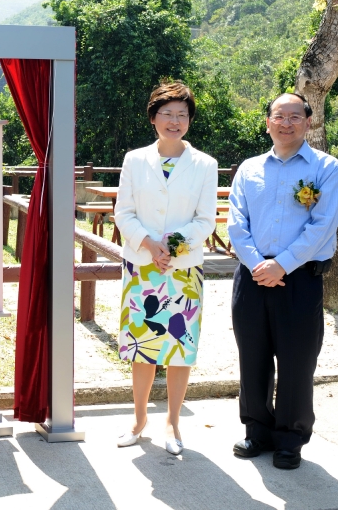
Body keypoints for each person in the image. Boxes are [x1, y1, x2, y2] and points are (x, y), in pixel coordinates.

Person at [227, 92, 338, 470]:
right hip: (252, 278)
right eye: (279, 116)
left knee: (296, 361)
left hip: (300, 279)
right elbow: (235, 221)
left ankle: (290, 438)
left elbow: (323, 224)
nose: (287, 123)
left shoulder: (326, 168)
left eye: (295, 116)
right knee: (253, 356)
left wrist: (283, 265)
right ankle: (256, 431)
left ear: (308, 122)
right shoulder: (249, 169)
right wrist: (257, 264)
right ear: (268, 122)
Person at [114, 81, 218, 455]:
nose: (175, 121)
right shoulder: (134, 159)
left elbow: (206, 219)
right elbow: (123, 212)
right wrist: (150, 244)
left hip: (184, 269)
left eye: (182, 115)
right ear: (154, 117)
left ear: (189, 120)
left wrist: (171, 246)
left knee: (179, 347)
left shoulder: (205, 164)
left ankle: (173, 422)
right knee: (142, 347)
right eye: (168, 114)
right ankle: (139, 419)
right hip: (143, 265)